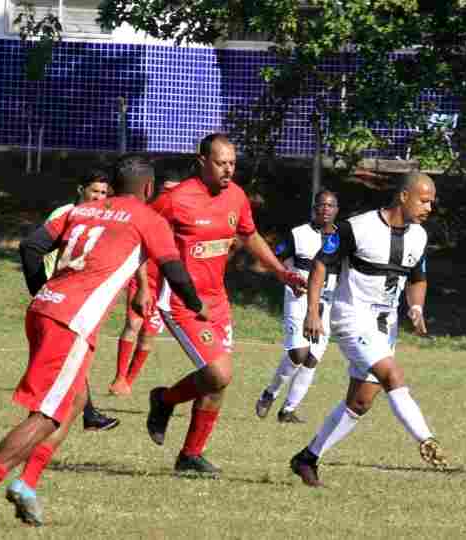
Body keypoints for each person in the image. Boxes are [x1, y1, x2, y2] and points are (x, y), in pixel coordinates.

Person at [0, 155, 208, 528]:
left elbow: (31, 246)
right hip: (69, 322)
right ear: (148, 188)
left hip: (46, 311)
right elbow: (176, 273)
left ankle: (26, 485)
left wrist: (45, 295)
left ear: (114, 185)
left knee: (74, 403)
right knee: (47, 414)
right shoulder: (149, 218)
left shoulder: (81, 210)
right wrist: (198, 307)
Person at [146, 133, 306, 476]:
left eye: (233, 163)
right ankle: (165, 401)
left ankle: (190, 455)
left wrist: (280, 272)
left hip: (217, 300)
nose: (229, 170)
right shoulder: (176, 199)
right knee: (219, 372)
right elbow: (142, 234)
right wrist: (141, 286)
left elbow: (249, 235)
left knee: (218, 381)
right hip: (180, 300)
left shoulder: (235, 196)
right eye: (221, 163)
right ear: (202, 161)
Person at [289, 172, 448, 488]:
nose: (430, 207)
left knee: (360, 402)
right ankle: (427, 439)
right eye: (424, 200)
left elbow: (417, 278)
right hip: (351, 320)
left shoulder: (419, 236)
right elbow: (321, 264)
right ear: (404, 196)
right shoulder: (357, 228)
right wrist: (312, 312)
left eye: (432, 201)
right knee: (393, 375)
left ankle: (307, 458)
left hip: (384, 328)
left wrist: (416, 308)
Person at [255, 190, 341, 423]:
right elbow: (278, 258)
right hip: (299, 298)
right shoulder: (298, 234)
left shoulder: (342, 239)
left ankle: (288, 410)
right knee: (298, 353)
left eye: (330, 205)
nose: (325, 209)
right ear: (314, 208)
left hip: (327, 302)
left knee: (312, 358)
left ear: (337, 210)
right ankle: (269, 393)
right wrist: (289, 278)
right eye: (321, 205)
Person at [43, 169, 119, 432]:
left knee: (72, 355)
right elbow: (38, 250)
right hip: (56, 295)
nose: (99, 197)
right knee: (65, 357)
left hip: (79, 296)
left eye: (103, 193)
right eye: (94, 191)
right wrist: (44, 286)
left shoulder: (104, 217)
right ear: (80, 189)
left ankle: (86, 413)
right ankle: (74, 413)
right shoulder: (64, 215)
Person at [109, 168, 190, 396]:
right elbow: (139, 250)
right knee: (133, 325)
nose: (171, 196)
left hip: (164, 285)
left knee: (148, 333)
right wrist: (142, 283)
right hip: (144, 278)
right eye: (167, 190)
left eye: (175, 191)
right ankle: (119, 377)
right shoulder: (150, 213)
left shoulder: (185, 217)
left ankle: (128, 383)